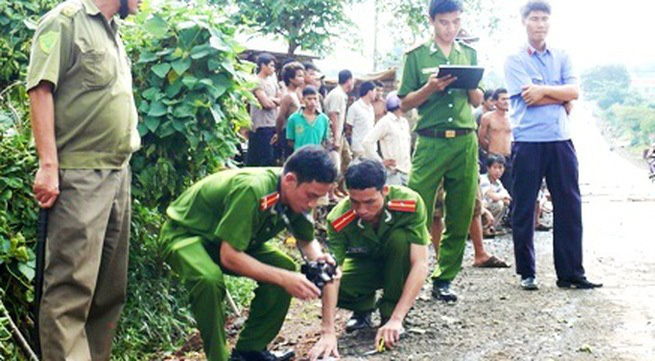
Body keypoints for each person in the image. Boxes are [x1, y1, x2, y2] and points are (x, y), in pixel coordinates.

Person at [26, 0, 141, 359]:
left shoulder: (112, 32)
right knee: (70, 288)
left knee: (108, 290)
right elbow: (40, 89)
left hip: (118, 173)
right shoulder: (65, 21)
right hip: (79, 174)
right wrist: (48, 164)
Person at [160, 146, 338, 361]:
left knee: (285, 267)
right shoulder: (253, 189)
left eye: (317, 198)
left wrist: (320, 260)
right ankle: (219, 358)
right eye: (310, 196)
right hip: (187, 235)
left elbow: (307, 240)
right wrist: (286, 279)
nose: (311, 204)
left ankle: (250, 351)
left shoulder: (294, 195)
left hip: (227, 242)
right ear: (290, 179)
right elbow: (230, 257)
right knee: (208, 280)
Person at [504, 0, 601, 291]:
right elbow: (529, 98)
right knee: (524, 206)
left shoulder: (562, 56)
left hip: (560, 140)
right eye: (534, 18)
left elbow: (574, 91)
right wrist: (561, 96)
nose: (540, 24)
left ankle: (571, 272)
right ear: (524, 22)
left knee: (569, 205)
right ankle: (527, 272)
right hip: (528, 142)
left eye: (544, 19)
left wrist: (545, 89)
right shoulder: (515, 59)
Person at [398, 0, 483, 302]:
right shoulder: (416, 55)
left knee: (460, 211)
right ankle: (408, 271)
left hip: (464, 140)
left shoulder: (469, 54)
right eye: (445, 22)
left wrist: (470, 84)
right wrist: (431, 88)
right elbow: (404, 102)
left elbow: (477, 101)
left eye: (456, 22)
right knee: (415, 204)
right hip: (431, 140)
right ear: (432, 21)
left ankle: (444, 277)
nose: (451, 28)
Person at [309, 159, 430, 361]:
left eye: (369, 202)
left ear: (385, 190)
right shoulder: (338, 219)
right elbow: (332, 272)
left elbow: (420, 263)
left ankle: (390, 312)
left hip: (398, 264)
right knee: (319, 282)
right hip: (364, 265)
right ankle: (362, 308)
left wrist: (396, 319)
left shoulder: (410, 203)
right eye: (355, 202)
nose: (362, 210)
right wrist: (327, 331)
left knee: (400, 240)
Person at [362, 91, 412, 186]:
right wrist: (380, 161)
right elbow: (367, 142)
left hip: (406, 171)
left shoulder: (404, 122)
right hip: (393, 172)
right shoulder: (386, 122)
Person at [248, 53, 280, 166]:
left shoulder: (273, 82)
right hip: (260, 126)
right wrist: (273, 100)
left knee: (270, 158)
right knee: (259, 159)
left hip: (272, 124)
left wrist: (271, 99)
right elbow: (266, 104)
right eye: (271, 65)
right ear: (263, 65)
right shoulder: (256, 81)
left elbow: (282, 99)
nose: (273, 68)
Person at [479, 88, 513, 193]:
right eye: (503, 99)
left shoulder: (512, 117)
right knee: (491, 189)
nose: (506, 102)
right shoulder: (487, 117)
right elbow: (481, 137)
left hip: (508, 157)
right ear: (495, 101)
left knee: (510, 188)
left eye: (508, 99)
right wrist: (490, 149)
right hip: (493, 156)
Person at [274, 62, 305, 162]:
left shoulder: (296, 94)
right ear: (291, 79)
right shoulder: (288, 96)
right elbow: (280, 117)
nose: (302, 78)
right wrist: (278, 134)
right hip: (288, 133)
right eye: (299, 76)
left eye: (303, 76)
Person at [286, 86, 330, 151]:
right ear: (303, 99)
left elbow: (325, 140)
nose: (312, 102)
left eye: (315, 99)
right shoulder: (293, 119)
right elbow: (290, 141)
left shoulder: (324, 119)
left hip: (317, 156)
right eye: (309, 99)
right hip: (300, 156)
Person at [480, 155, 512, 235]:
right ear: (488, 168)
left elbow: (508, 197)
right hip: (481, 207)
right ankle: (483, 228)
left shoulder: (498, 182)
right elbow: (493, 196)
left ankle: (490, 227)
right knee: (499, 204)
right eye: (495, 167)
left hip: (488, 206)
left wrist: (501, 196)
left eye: (500, 167)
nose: (498, 171)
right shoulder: (484, 179)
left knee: (505, 203)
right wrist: (501, 196)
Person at [346, 81, 377, 158]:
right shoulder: (355, 107)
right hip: (359, 148)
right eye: (375, 91)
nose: (375, 94)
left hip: (371, 147)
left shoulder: (371, 108)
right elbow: (348, 127)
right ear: (369, 92)